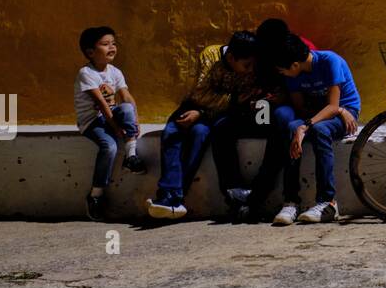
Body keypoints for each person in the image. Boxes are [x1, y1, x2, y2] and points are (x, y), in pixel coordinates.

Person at [241, 34, 361, 225]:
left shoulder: (330, 61)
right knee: (291, 128)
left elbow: (332, 106)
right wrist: (303, 125)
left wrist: (315, 121)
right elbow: (300, 108)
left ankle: (327, 202)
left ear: (295, 65)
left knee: (321, 131)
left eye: (283, 70)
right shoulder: (294, 76)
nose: (282, 74)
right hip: (317, 114)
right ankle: (291, 202)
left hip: (344, 113)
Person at [145, 31, 263, 220]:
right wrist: (213, 105)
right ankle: (171, 195)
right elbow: (200, 94)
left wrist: (202, 112)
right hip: (195, 107)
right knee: (172, 132)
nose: (250, 70)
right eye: (246, 65)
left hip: (218, 115)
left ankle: (173, 197)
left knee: (200, 134)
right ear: (231, 57)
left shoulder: (252, 68)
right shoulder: (211, 55)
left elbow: (243, 99)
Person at [74, 26, 146, 221]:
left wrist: (135, 121)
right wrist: (116, 129)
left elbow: (127, 97)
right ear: (90, 52)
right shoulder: (86, 73)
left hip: (110, 115)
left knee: (127, 108)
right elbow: (101, 104)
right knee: (110, 147)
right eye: (105, 44)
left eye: (113, 43)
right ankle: (95, 195)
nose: (112, 47)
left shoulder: (115, 71)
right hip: (92, 121)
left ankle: (131, 156)